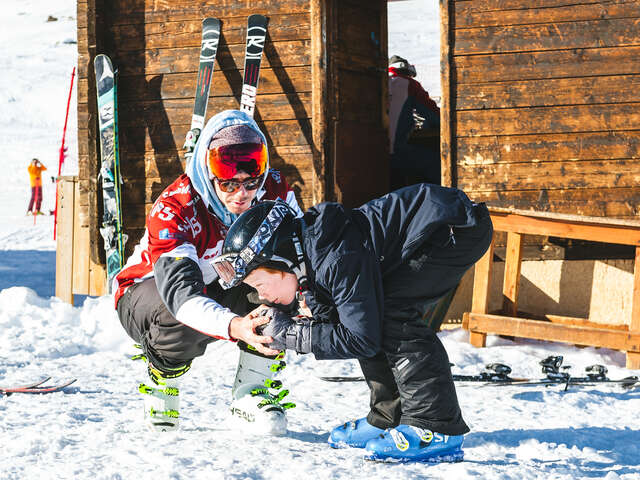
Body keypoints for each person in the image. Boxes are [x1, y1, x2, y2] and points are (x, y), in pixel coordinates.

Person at [212, 183, 493, 463]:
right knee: (368, 313)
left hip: (452, 229)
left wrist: (295, 335)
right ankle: (388, 416)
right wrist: (293, 326)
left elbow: (361, 337)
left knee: (393, 313)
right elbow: (336, 320)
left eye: (260, 284)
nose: (262, 296)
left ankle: (434, 425)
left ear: (284, 262)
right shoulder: (315, 256)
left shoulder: (336, 257)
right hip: (436, 228)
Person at [113, 109, 302, 433]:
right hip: (149, 292)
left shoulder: (273, 190)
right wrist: (234, 326)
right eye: (227, 181)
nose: (241, 193)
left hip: (225, 280)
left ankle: (251, 390)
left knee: (286, 285)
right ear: (206, 169)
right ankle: (163, 373)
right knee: (176, 318)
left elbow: (301, 251)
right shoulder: (177, 208)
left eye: (250, 179)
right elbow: (182, 295)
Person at [388, 55, 441, 189]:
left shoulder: (375, 82)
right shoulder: (409, 84)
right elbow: (435, 116)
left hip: (372, 154)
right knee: (436, 163)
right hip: (395, 153)